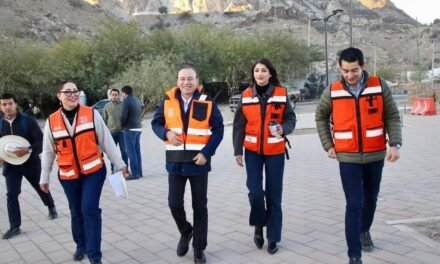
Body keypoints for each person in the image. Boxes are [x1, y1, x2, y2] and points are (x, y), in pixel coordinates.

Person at [315, 47, 402, 264]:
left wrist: (395, 144)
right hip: (348, 157)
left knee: (370, 199)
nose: (350, 75)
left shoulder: (379, 86)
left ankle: (364, 230)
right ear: (340, 68)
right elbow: (320, 117)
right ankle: (354, 255)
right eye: (345, 71)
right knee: (354, 203)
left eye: (354, 70)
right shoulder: (332, 90)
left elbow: (391, 115)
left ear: (363, 66)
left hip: (375, 154)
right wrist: (328, 144)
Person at [39, 81, 128, 264]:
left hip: (93, 171)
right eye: (67, 92)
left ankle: (95, 255)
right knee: (75, 211)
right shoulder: (51, 121)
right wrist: (44, 177)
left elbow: (106, 141)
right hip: (68, 175)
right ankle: (81, 245)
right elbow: (48, 151)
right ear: (59, 95)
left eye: (75, 91)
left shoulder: (91, 114)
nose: (72, 95)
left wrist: (120, 163)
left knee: (89, 208)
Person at [151, 64, 224, 264]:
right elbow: (156, 123)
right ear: (177, 81)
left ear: (197, 81)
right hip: (175, 163)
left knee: (200, 207)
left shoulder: (206, 102)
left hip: (198, 162)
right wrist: (165, 133)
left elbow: (218, 131)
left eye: (190, 78)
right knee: (174, 204)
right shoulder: (167, 101)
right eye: (182, 78)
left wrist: (206, 153)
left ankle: (199, 248)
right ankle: (186, 231)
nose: (186, 82)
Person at [232, 58, 296, 255]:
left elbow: (290, 118)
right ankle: (259, 224)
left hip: (275, 152)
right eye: (256, 70)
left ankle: (273, 237)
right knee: (256, 193)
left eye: (263, 70)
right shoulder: (246, 95)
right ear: (253, 74)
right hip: (252, 152)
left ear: (270, 73)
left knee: (274, 195)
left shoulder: (281, 93)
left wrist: (283, 129)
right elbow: (239, 125)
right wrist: (237, 150)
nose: (259, 74)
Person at [0, 93, 58, 240]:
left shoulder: (28, 121)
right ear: (1, 106)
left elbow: (41, 142)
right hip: (11, 166)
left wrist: (28, 149)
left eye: (10, 103)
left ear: (16, 104)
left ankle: (51, 206)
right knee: (12, 194)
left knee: (40, 187)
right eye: (4, 104)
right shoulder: (0, 124)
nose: (7, 107)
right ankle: (15, 226)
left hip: (31, 163)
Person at [102, 88, 129, 174]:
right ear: (110, 96)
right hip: (111, 133)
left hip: (122, 133)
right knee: (112, 153)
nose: (114, 96)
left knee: (124, 152)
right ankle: (113, 170)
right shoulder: (107, 106)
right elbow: (104, 120)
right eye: (112, 94)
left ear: (119, 96)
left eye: (116, 95)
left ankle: (126, 169)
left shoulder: (123, 105)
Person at [120, 85, 143, 180]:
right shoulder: (137, 99)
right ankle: (139, 172)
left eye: (122, 93)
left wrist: (122, 125)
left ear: (124, 92)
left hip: (129, 129)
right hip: (138, 128)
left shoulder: (126, 100)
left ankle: (134, 174)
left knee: (131, 152)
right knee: (137, 151)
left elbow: (123, 115)